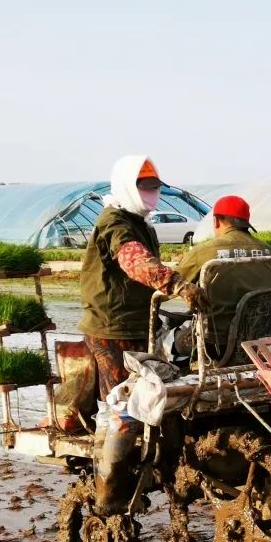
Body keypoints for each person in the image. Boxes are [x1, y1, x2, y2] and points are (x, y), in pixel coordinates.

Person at [78, 155, 206, 400]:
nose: (150, 192)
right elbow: (134, 259)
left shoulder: (141, 222)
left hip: (140, 324)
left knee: (148, 398)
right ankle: (107, 439)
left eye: (154, 187)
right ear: (126, 185)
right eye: (143, 186)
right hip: (113, 328)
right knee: (121, 403)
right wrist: (177, 285)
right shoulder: (114, 221)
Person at [170, 195, 271, 357]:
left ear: (216, 221)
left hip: (216, 344)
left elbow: (172, 282)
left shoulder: (203, 252)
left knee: (171, 340)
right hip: (261, 341)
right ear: (246, 222)